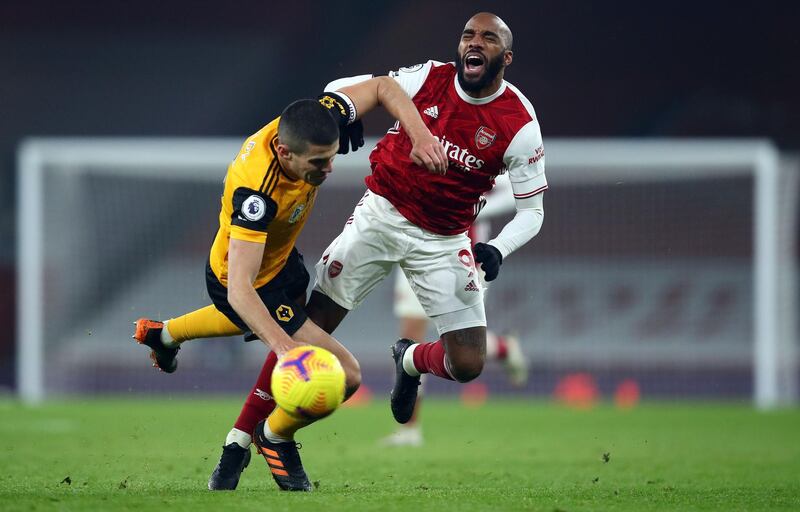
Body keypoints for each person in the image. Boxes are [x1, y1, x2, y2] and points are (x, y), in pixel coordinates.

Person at [203, 10, 547, 488]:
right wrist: (345, 113)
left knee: (468, 364)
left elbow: (534, 213)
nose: (474, 41)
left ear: (505, 57)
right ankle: (242, 441)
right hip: (381, 215)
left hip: (445, 239)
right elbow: (346, 87)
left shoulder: (519, 123)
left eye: (488, 38)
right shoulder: (427, 78)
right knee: (306, 324)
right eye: (468, 33)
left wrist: (500, 249)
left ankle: (408, 361)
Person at [132, 90, 448, 491]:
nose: (329, 167)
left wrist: (418, 134)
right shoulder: (256, 195)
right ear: (284, 152)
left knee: (281, 328)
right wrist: (284, 351)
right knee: (347, 375)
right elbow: (241, 292)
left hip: (281, 264)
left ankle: (164, 336)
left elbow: (384, 85)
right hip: (243, 280)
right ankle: (263, 437)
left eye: (332, 156)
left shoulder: (317, 120)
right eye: (319, 162)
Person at [381, 174, 529, 447]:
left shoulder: (484, 150)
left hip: (463, 254)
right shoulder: (427, 142)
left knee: (458, 342)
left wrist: (468, 206)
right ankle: (409, 429)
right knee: (409, 338)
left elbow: (515, 191)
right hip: (416, 248)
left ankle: (503, 348)